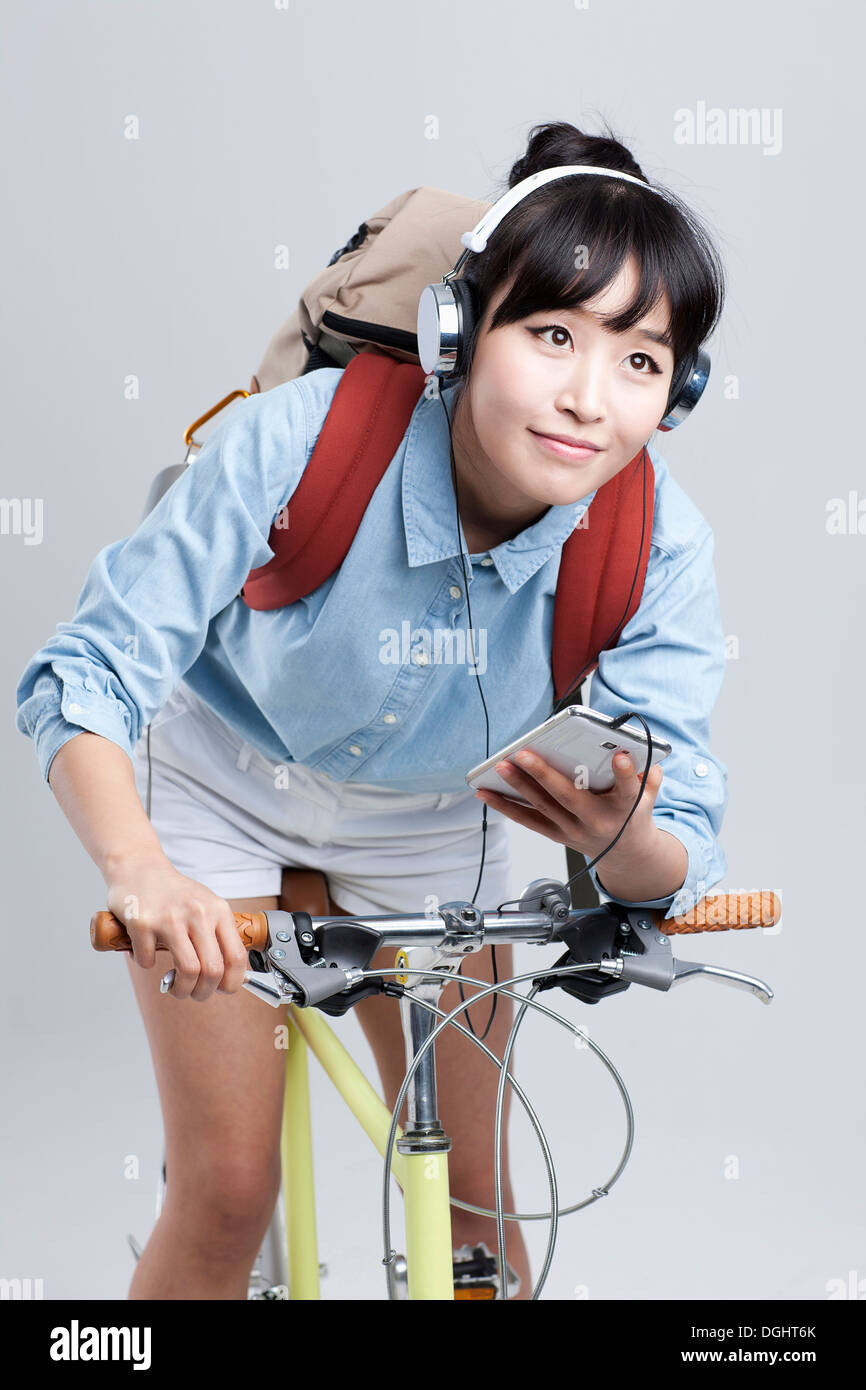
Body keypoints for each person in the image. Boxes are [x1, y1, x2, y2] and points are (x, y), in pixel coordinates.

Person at [14, 118, 729, 1301]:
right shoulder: (300, 439)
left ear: (677, 389)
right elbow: (82, 672)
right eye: (550, 333)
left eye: (639, 361)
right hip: (220, 780)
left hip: (442, 821)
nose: (587, 398)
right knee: (227, 1190)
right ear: (459, 327)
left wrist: (622, 841)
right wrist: (140, 867)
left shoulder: (659, 542)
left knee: (476, 1209)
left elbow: (675, 846)